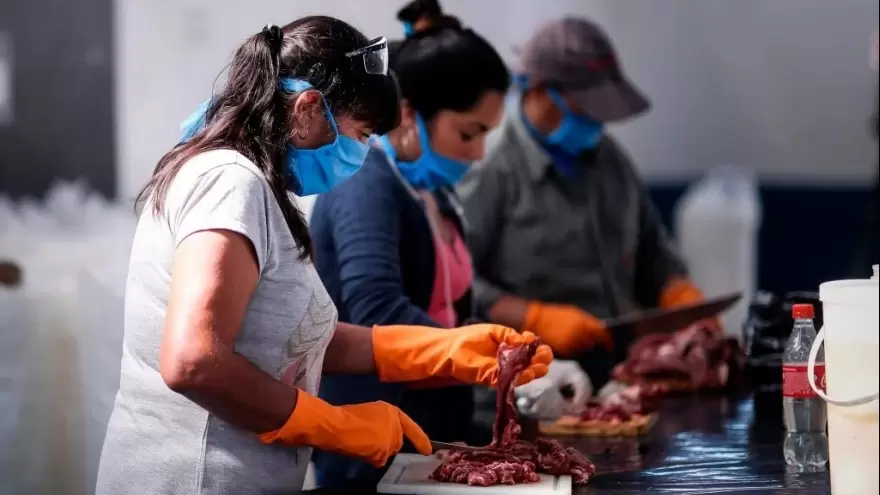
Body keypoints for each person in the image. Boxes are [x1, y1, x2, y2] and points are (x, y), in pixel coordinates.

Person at [94, 16, 551, 494]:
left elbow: (296, 338)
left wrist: (436, 350)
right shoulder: (229, 181)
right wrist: (335, 424)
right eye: (361, 135)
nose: (364, 152)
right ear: (309, 108)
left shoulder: (262, 189)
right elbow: (194, 361)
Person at [307, 1, 569, 487]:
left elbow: (448, 309)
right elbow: (375, 309)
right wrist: (474, 359)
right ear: (409, 115)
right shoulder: (365, 184)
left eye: (486, 134)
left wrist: (509, 355)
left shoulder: (432, 190)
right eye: (468, 133)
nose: (478, 152)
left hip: (430, 437)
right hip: (376, 449)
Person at [457, 16, 717, 388]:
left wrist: (677, 292)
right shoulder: (489, 167)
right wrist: (533, 317)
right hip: (528, 389)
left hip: (618, 379)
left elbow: (651, 247)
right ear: (541, 90)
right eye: (584, 111)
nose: (595, 124)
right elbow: (459, 284)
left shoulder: (609, 159)